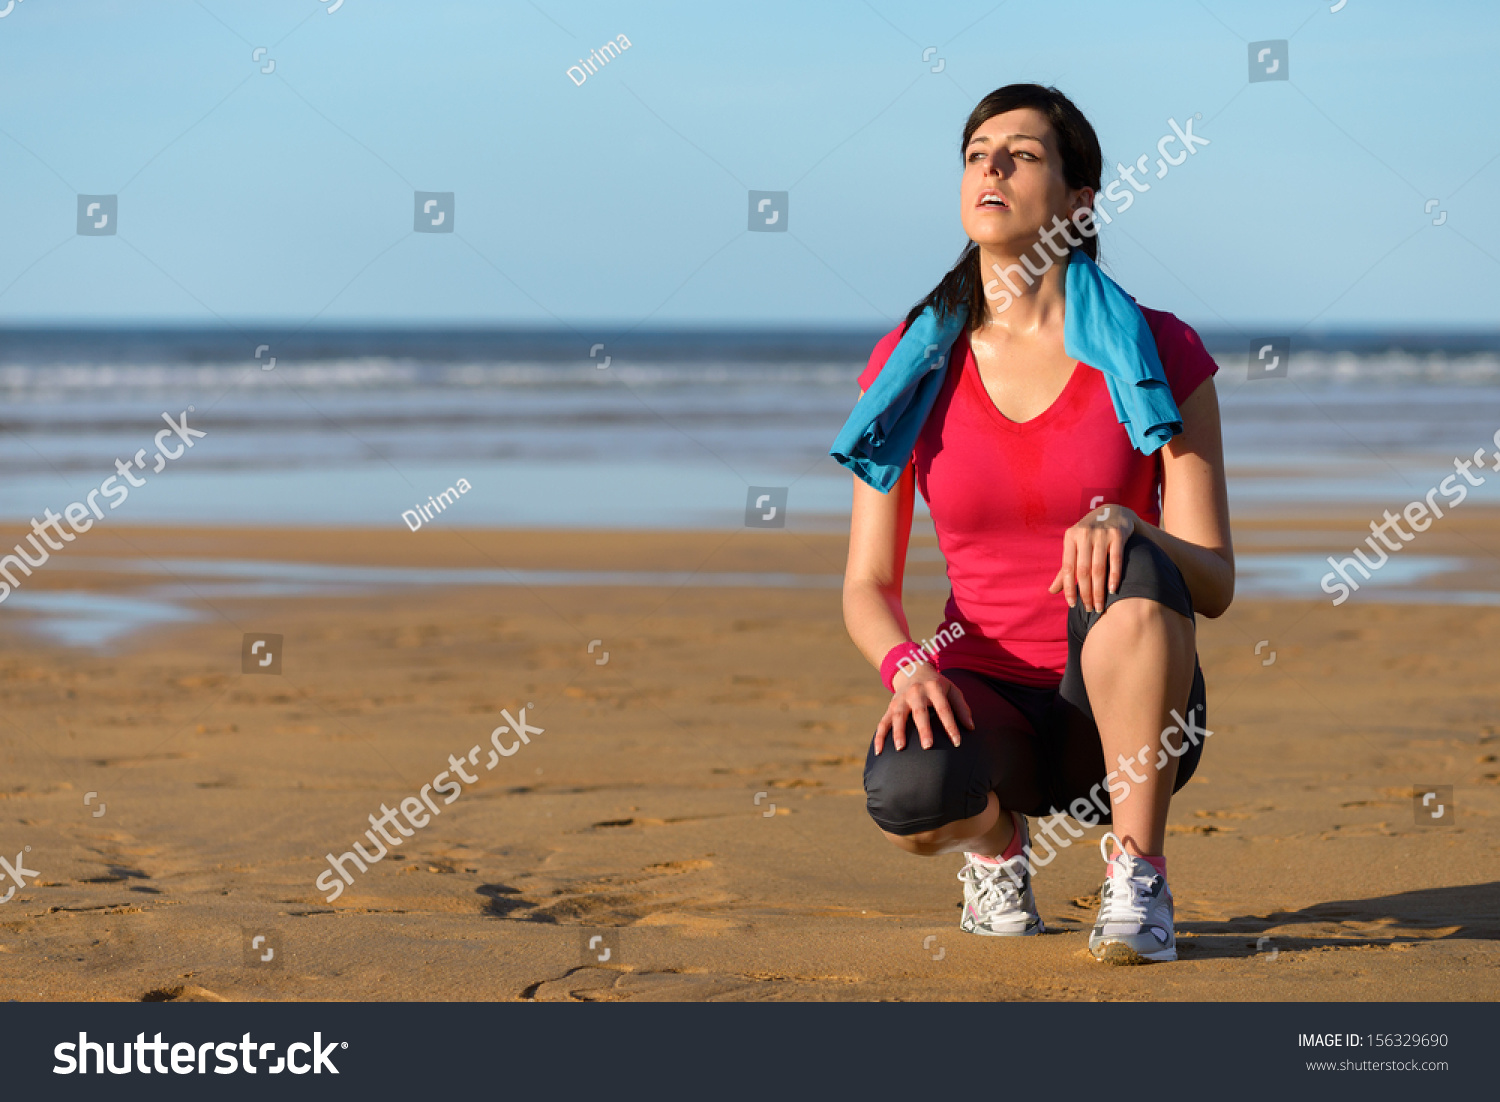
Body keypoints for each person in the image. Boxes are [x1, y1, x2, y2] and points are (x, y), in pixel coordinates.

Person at [841, 84, 1234, 964]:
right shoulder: (911, 361)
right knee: (907, 797)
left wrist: (1131, 523)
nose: (992, 165)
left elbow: (1212, 578)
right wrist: (906, 667)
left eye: (1022, 153)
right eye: (979, 151)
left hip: (1126, 713)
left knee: (1135, 554)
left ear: (1077, 200)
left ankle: (1138, 875)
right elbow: (867, 584)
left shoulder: (1160, 350)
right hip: (983, 686)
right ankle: (998, 847)